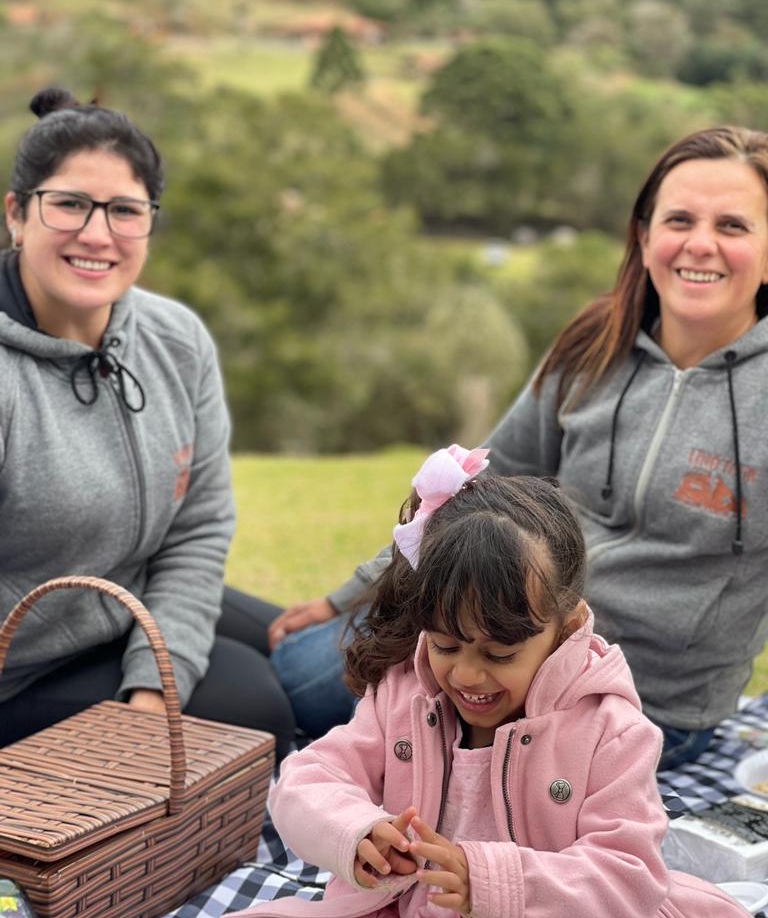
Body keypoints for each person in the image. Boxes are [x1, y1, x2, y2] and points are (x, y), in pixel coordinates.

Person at [269, 125, 768, 768]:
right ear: (644, 237)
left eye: (733, 225)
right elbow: (472, 488)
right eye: (679, 219)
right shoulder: (596, 342)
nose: (700, 244)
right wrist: (352, 594)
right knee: (295, 658)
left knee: (291, 691)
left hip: (638, 700)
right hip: (494, 632)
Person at [228, 446, 745, 918]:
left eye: (500, 653)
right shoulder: (406, 692)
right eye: (446, 645)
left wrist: (492, 882)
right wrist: (355, 831)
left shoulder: (611, 731)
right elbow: (304, 778)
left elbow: (628, 878)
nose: (468, 675)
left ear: (564, 627)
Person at [0, 87, 295, 759]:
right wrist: (147, 705)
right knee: (252, 707)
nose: (97, 234)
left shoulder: (175, 337)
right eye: (70, 204)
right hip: (20, 670)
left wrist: (153, 684)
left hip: (128, 600)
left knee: (330, 658)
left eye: (125, 211)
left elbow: (198, 527)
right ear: (17, 214)